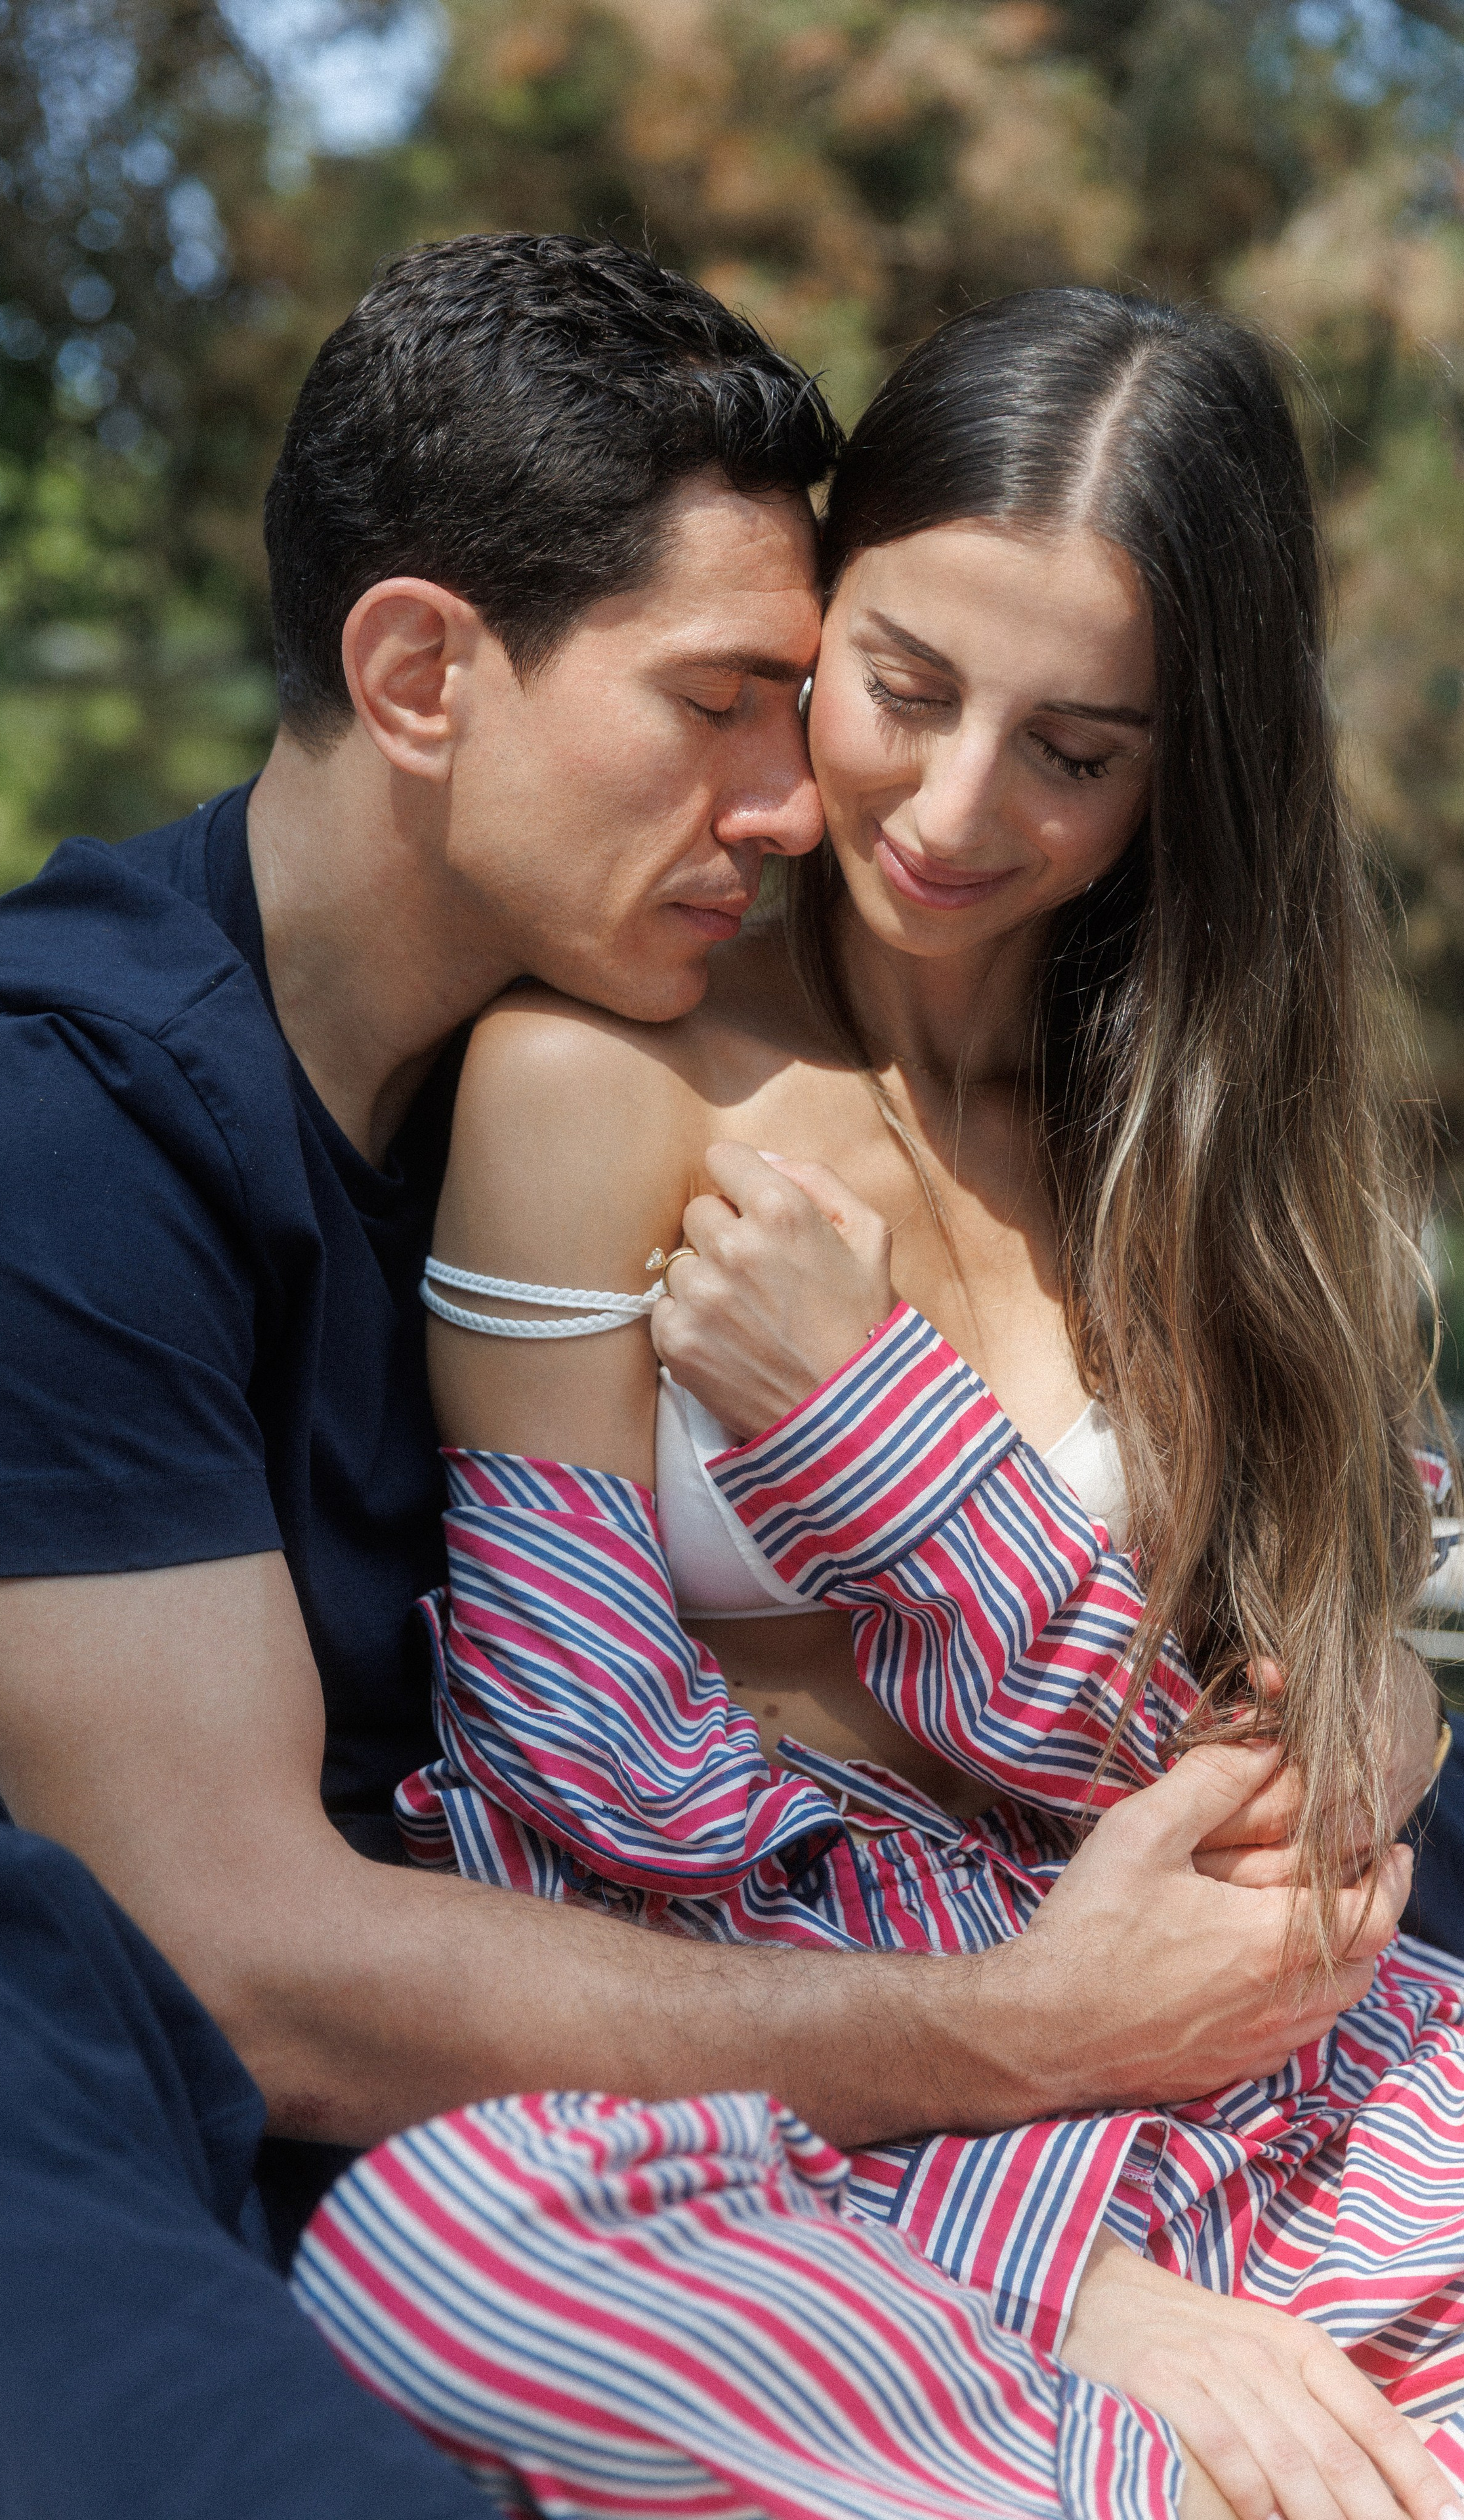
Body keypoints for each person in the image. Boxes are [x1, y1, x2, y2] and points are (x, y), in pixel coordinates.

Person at [0, 235, 1423, 2520]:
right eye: (726, 703)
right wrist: (1022, 2047)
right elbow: (256, 1952)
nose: (812, 809)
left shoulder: (584, 1059)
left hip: (760, 2012)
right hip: (140, 2087)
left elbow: (1319, 1645)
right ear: (423, 670)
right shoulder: (53, 1135)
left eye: (806, 700)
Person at [321, 287, 1464, 2518]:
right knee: (433, 2263)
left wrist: (881, 1440)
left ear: (1183, 766)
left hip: (1264, 2078)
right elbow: (575, 1755)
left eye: (1078, 748)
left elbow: (1301, 1768)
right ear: (818, 634)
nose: (954, 810)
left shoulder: (1228, 1149)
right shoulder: (597, 1084)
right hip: (786, 2099)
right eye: (906, 690)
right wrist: (1062, 2258)